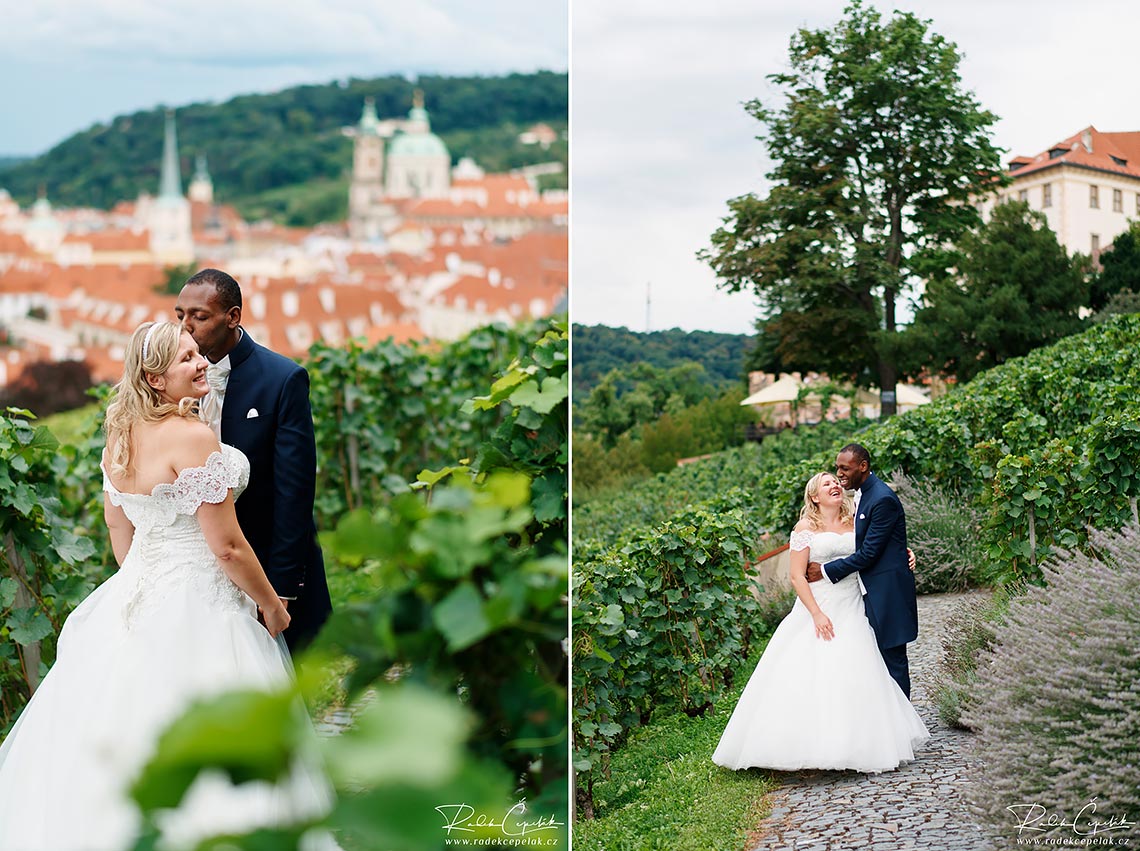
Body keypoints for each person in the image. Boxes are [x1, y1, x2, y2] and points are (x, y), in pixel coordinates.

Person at [0, 321, 337, 850]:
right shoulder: (193, 437)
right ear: (156, 380)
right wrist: (271, 605)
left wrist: (143, 576)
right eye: (186, 359)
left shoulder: (119, 433)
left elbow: (118, 525)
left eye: (197, 352)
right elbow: (226, 547)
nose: (201, 362)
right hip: (204, 598)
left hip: (132, 594)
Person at [712, 471, 928, 773]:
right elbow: (796, 575)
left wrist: (905, 554)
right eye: (826, 483)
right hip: (820, 603)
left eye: (836, 482)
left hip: (854, 601)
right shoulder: (805, 528)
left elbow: (873, 550)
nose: (835, 485)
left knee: (858, 668)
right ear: (814, 496)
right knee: (815, 671)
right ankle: (809, 745)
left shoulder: (856, 520)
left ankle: (861, 741)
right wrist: (816, 613)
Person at [175, 268, 331, 651]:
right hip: (195, 564)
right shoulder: (168, 379)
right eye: (180, 315)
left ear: (232, 317)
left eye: (199, 316)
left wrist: (281, 584)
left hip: (261, 558)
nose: (187, 326)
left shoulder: (283, 379)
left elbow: (294, 491)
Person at [805, 443, 918, 697]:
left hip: (887, 593)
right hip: (860, 594)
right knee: (869, 663)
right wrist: (902, 551)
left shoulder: (882, 498)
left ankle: (903, 730)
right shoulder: (858, 497)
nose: (839, 473)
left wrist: (824, 570)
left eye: (845, 468)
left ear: (863, 467)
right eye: (837, 468)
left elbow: (868, 553)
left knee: (893, 661)